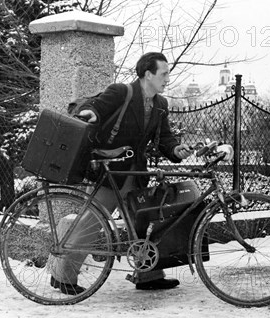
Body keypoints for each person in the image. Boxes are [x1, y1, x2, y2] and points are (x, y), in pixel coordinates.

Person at [50, 52, 191, 295]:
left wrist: (176, 149)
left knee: (141, 223)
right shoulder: (121, 92)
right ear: (148, 74)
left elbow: (164, 138)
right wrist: (89, 113)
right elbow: (95, 105)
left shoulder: (160, 104)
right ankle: (62, 276)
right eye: (163, 73)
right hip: (111, 170)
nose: (167, 78)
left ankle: (148, 275)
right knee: (92, 223)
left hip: (135, 173)